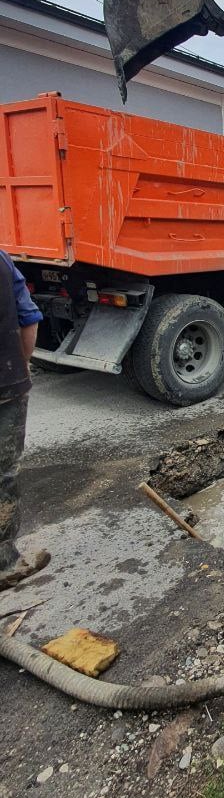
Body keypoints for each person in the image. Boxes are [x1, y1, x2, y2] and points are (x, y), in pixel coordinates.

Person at [0, 250, 50, 591]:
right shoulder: (1, 262)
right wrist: (23, 365)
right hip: (4, 385)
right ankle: (4, 564)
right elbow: (27, 318)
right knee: (3, 474)